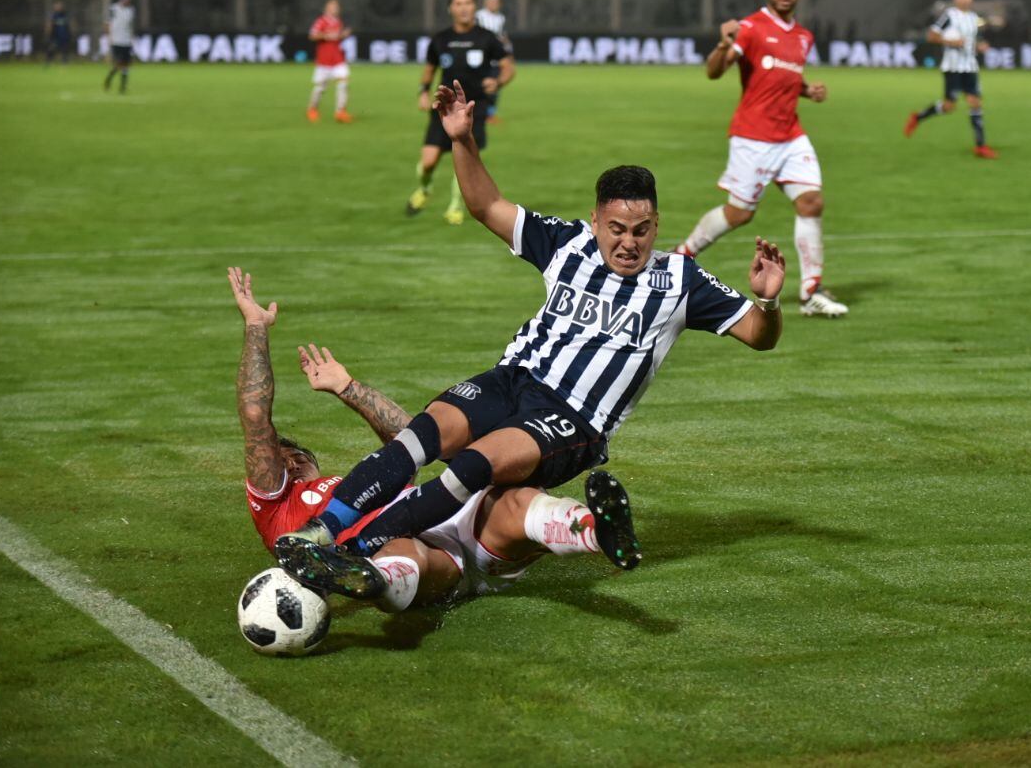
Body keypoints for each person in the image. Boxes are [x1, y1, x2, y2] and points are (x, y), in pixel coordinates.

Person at [275, 80, 786, 597]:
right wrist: (461, 139)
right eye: (616, 228)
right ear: (596, 220)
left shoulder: (680, 281)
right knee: (422, 435)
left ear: (657, 226)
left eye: (642, 230)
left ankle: (356, 549)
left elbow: (758, 336)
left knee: (477, 465)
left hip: (573, 417)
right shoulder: (568, 244)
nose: (628, 242)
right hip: (511, 379)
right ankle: (316, 534)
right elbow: (486, 205)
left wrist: (767, 299)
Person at [227, 266, 632, 613]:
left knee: (515, 502)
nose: (294, 462)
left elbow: (411, 442)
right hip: (422, 555)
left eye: (300, 455)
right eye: (285, 458)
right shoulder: (277, 515)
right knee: (403, 555)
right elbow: (254, 415)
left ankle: (598, 532)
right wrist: (256, 328)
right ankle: (370, 577)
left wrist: (350, 388)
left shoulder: (359, 486)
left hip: (447, 515)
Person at [674, 0, 847, 319]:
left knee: (812, 202)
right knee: (739, 214)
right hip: (753, 138)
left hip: (791, 136)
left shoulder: (803, 37)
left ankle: (811, 291)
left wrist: (806, 90)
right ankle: (680, 257)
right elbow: (713, 72)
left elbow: (783, 76)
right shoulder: (751, 28)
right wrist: (722, 46)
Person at [407, 0, 515, 224]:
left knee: (464, 161)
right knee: (428, 162)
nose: (464, 7)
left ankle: (455, 206)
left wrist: (497, 82)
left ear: (474, 7)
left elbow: (509, 68)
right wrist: (423, 92)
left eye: (468, 2)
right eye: (458, 3)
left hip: (473, 111)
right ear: (451, 8)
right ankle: (424, 190)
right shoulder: (440, 39)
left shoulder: (488, 38)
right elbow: (429, 69)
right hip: (444, 109)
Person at [903, 0, 997, 159]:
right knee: (948, 107)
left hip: (970, 66)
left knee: (975, 102)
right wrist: (950, 41)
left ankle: (981, 146)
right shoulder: (949, 16)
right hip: (952, 67)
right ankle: (918, 117)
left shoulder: (974, 18)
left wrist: (981, 46)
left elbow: (974, 40)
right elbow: (931, 36)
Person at [307, 0, 353, 124]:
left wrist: (343, 35)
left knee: (344, 82)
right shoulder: (321, 21)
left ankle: (340, 111)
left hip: (338, 59)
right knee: (320, 87)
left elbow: (336, 38)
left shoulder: (338, 22)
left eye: (337, 7)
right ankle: (312, 109)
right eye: (333, 7)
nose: (336, 9)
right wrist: (326, 35)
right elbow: (312, 35)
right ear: (327, 9)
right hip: (324, 61)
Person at [474, 0, 511, 122]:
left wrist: (509, 52)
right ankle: (475, 111)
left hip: (496, 58)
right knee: (476, 84)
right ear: (486, 3)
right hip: (481, 57)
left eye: (496, 2)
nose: (494, 4)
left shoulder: (501, 18)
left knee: (495, 83)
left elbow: (503, 37)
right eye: (492, 2)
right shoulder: (478, 16)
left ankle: (490, 113)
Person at [103, 0, 134, 94]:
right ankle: (109, 78)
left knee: (126, 65)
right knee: (119, 63)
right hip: (116, 40)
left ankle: (122, 87)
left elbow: (130, 26)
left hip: (127, 41)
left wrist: (131, 39)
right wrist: (109, 37)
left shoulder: (131, 10)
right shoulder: (113, 9)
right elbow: (107, 23)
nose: (127, 0)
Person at [45, 0, 72, 66]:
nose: (58, 7)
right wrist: (48, 32)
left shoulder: (65, 14)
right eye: (56, 6)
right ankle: (49, 61)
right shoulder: (53, 15)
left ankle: (64, 62)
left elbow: (71, 23)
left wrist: (71, 31)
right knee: (52, 48)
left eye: (59, 6)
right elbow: (49, 24)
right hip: (55, 36)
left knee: (64, 49)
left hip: (65, 36)